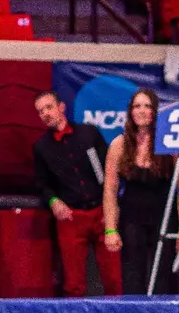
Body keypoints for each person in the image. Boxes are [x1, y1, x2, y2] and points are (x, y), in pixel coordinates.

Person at [31, 91, 122, 296]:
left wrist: (112, 208)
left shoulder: (89, 133)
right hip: (71, 217)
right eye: (40, 111)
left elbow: (109, 171)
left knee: (114, 278)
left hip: (101, 212)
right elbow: (42, 184)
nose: (45, 113)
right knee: (73, 283)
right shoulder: (41, 148)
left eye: (49, 107)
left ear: (61, 107)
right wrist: (53, 201)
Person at [101, 89, 179, 295]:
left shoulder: (172, 143)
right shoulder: (118, 145)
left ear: (155, 111)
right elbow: (110, 190)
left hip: (164, 217)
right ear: (130, 112)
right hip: (131, 218)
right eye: (137, 106)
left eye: (147, 106)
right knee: (132, 277)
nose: (141, 111)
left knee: (164, 280)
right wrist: (110, 229)